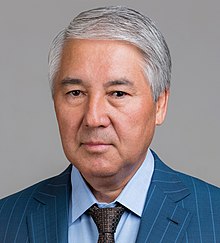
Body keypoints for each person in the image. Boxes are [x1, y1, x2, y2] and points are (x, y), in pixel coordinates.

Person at [0, 6, 219, 243]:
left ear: (160, 104)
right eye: (75, 93)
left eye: (117, 93)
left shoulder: (213, 216)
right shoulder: (7, 219)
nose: (94, 118)